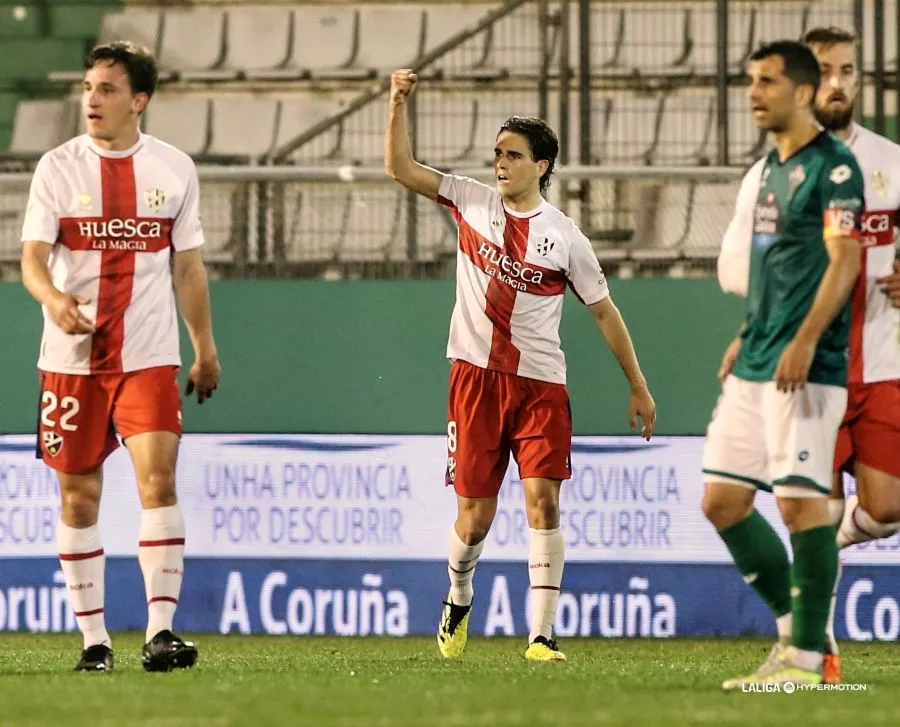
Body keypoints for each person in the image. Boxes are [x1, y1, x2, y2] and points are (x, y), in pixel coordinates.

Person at [384, 68, 657, 662]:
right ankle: (458, 595)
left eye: (513, 155)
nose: (500, 164)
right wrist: (397, 104)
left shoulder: (566, 238)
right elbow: (402, 170)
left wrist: (637, 385)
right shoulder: (468, 199)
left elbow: (605, 313)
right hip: (474, 381)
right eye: (497, 154)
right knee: (475, 520)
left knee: (544, 501)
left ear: (543, 165)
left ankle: (541, 635)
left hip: (540, 386)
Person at [19, 41, 221, 673]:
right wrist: (53, 298)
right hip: (72, 359)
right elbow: (31, 259)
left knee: (158, 481)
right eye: (87, 87)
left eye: (106, 89)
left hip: (149, 354)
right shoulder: (57, 167)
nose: (92, 100)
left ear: (139, 100)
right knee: (78, 500)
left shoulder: (173, 168)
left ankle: (161, 633)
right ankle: (95, 643)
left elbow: (187, 266)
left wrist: (204, 347)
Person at [717, 27, 900, 685]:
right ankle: (804, 647)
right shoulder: (774, 171)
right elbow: (749, 266)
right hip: (807, 364)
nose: (837, 83)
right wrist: (754, 328)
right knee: (802, 508)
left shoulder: (889, 161)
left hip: (878, 359)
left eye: (848, 70)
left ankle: (811, 594)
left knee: (884, 508)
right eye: (826, 70)